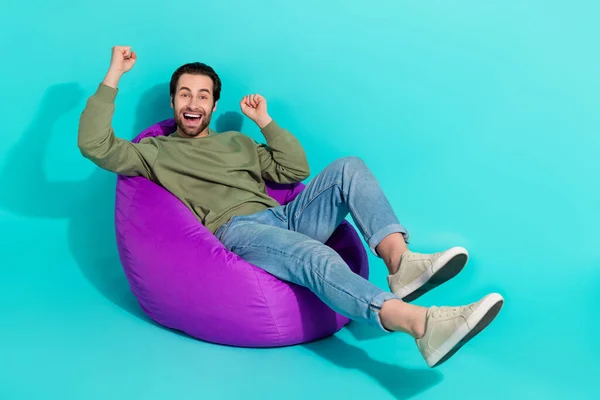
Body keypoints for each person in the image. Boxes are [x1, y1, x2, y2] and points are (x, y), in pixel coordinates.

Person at [78, 46, 504, 368]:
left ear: (213, 105)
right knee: (319, 256)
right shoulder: (154, 151)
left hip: (283, 217)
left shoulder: (238, 142)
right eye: (185, 95)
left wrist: (264, 121)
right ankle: (421, 326)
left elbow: (292, 169)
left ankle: (402, 263)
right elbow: (94, 144)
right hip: (238, 231)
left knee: (348, 168)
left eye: (203, 96)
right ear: (172, 103)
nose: (193, 104)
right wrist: (114, 73)